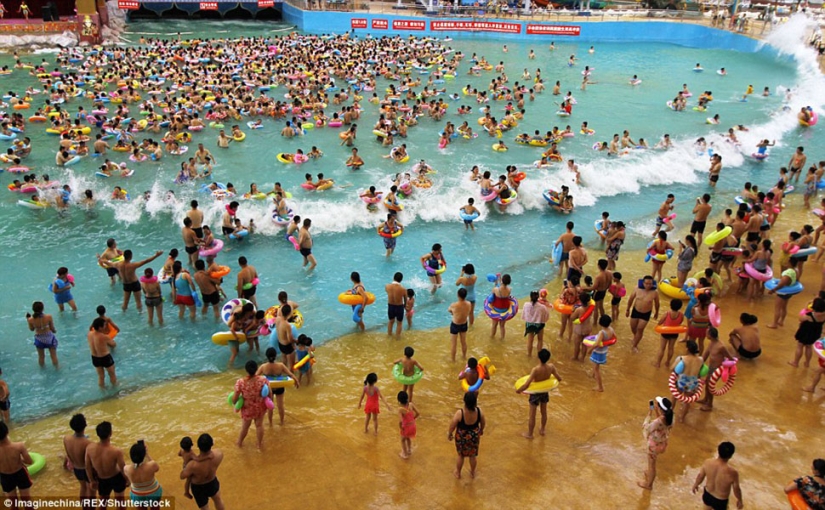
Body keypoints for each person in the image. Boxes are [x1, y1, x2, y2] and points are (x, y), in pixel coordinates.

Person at [515, 348, 562, 439]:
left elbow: (527, 384)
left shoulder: (536, 370)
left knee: (532, 414)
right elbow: (559, 378)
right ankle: (542, 429)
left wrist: (518, 390)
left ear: (539, 358)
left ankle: (530, 434)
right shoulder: (551, 367)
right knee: (544, 412)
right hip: (544, 391)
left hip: (535, 393)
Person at [692, 442, 744, 510]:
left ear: (718, 451)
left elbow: (700, 476)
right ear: (731, 456)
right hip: (720, 500)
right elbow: (736, 489)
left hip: (708, 494)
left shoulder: (707, 462)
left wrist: (696, 484)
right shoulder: (732, 473)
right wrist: (740, 500)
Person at [180, 433, 224, 510]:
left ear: (198, 446)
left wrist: (185, 466)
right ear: (212, 444)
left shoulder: (192, 465)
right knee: (218, 500)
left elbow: (182, 476)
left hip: (198, 487)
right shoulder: (219, 454)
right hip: (212, 481)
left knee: (205, 508)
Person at [85, 421, 126, 503]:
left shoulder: (89, 448)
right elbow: (122, 468)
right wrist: (127, 480)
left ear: (98, 434)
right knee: (120, 503)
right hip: (116, 477)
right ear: (110, 433)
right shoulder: (116, 451)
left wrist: (92, 480)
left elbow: (87, 466)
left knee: (103, 503)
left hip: (102, 479)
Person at [638, 396, 673, 490]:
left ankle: (648, 484)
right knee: (652, 463)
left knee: (652, 464)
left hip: (654, 445)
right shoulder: (670, 417)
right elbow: (662, 423)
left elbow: (646, 427)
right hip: (662, 443)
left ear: (661, 409)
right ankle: (649, 473)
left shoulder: (658, 421)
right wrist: (657, 412)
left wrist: (649, 412)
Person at [448, 392, 485, 479]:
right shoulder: (479, 411)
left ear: (465, 402)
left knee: (461, 456)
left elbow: (453, 425)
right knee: (472, 456)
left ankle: (458, 473)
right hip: (474, 436)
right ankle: (472, 472)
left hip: (462, 437)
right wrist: (481, 430)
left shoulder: (460, 413)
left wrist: (450, 433)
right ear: (475, 402)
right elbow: (483, 422)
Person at [232, 360, 268, 450]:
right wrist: (268, 405)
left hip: (247, 408)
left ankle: (239, 443)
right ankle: (259, 445)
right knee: (259, 425)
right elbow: (268, 394)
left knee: (245, 427)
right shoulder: (263, 380)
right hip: (260, 407)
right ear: (256, 369)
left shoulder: (240, 382)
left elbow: (234, 399)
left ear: (246, 370)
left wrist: (234, 402)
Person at [0, 421, 33, 501]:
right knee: (26, 500)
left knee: (13, 503)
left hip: (5, 476)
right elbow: (29, 461)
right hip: (20, 473)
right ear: (7, 432)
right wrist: (20, 459)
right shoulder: (19, 446)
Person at [626, 276, 660, 353]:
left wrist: (656, 312)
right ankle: (636, 337)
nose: (648, 285)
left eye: (650, 284)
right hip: (636, 311)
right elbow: (631, 299)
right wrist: (628, 309)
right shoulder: (637, 288)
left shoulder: (655, 292)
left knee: (640, 329)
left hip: (646, 313)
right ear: (643, 283)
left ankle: (635, 345)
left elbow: (657, 304)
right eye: (646, 283)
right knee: (633, 327)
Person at [790, 297, 825, 368]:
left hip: (805, 332)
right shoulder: (823, 314)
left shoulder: (810, 315)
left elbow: (800, 318)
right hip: (815, 332)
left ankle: (795, 362)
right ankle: (807, 363)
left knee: (800, 345)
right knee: (809, 347)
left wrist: (806, 305)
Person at [63, 414, 92, 499]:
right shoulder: (87, 443)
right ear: (85, 425)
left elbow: (68, 455)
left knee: (83, 487)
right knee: (91, 490)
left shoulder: (66, 439)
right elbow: (89, 462)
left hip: (76, 469)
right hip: (86, 470)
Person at [26, 301, 58, 367]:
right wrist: (55, 331)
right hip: (49, 338)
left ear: (33, 309)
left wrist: (27, 319)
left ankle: (42, 370)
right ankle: (57, 368)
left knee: (41, 357)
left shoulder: (30, 319)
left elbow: (32, 329)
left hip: (39, 339)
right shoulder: (49, 317)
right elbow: (52, 328)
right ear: (43, 309)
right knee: (53, 356)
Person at [88, 317, 117, 387]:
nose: (105, 326)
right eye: (104, 325)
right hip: (105, 357)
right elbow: (113, 344)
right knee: (112, 374)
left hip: (95, 358)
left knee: (101, 377)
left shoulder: (89, 334)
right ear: (100, 328)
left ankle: (103, 390)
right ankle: (115, 389)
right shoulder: (104, 336)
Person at [522, 290, 550, 357]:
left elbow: (524, 315)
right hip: (539, 324)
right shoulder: (542, 307)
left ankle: (529, 355)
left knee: (530, 340)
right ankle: (539, 356)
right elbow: (546, 317)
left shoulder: (526, 305)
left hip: (530, 324)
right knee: (540, 339)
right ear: (538, 297)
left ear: (530, 297)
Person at [448, 288, 472, 362]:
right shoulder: (469, 304)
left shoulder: (454, 305)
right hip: (464, 324)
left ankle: (453, 360)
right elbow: (468, 312)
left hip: (455, 324)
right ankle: (464, 356)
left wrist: (453, 312)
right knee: (463, 342)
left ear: (458, 295)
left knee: (453, 344)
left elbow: (449, 310)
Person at [397, 391, 419, 460]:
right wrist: (413, 419)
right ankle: (409, 450)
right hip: (413, 426)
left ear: (399, 401)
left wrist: (400, 428)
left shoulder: (400, 409)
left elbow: (400, 421)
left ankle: (405, 454)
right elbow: (418, 413)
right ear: (407, 398)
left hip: (406, 427)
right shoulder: (411, 405)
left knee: (403, 440)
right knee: (408, 437)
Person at [385, 272, 406, 337]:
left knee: (391, 321)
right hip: (399, 307)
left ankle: (389, 335)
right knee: (399, 323)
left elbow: (388, 293)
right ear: (401, 280)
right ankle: (397, 337)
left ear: (393, 277)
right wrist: (404, 306)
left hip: (390, 306)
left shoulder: (387, 286)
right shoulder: (403, 289)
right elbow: (405, 299)